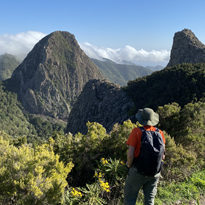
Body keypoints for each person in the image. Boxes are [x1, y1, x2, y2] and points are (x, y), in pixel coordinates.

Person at [124, 108, 165, 205]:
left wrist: (129, 165)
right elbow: (162, 156)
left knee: (130, 198)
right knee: (150, 199)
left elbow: (130, 154)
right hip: (155, 172)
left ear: (141, 119)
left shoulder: (137, 132)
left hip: (138, 171)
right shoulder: (160, 133)